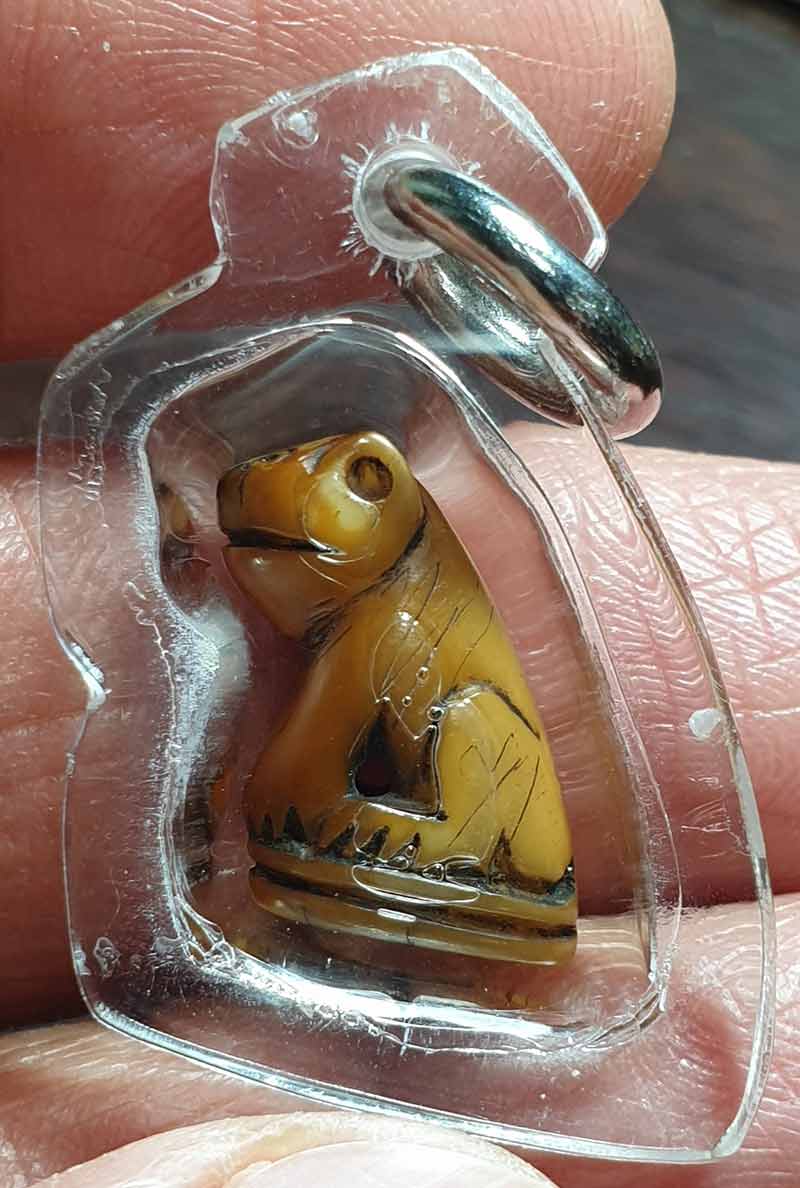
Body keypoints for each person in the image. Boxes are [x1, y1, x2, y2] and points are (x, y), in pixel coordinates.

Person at [1, 1, 797, 1184]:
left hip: (472, 863)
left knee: (465, 730)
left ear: (375, 486)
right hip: (352, 912)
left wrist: (289, 808)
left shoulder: (392, 620)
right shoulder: (355, 616)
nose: (253, 562)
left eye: (281, 541)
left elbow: (332, 734)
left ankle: (465, 876)